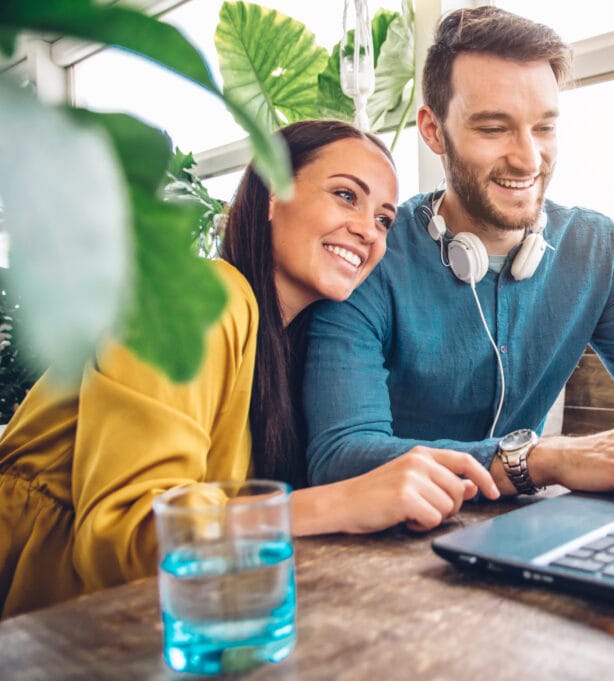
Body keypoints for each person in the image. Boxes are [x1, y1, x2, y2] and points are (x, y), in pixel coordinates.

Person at [0, 120, 499, 619]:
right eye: (346, 195)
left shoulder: (289, 343)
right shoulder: (199, 298)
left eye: (385, 219)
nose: (369, 229)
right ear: (270, 196)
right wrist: (341, 502)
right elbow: (126, 536)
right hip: (37, 601)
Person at [303, 8, 614, 502]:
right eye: (493, 128)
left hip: (518, 533)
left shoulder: (597, 250)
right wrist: (543, 458)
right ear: (434, 130)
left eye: (544, 128)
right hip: (381, 545)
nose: (528, 159)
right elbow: (342, 456)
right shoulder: (369, 254)